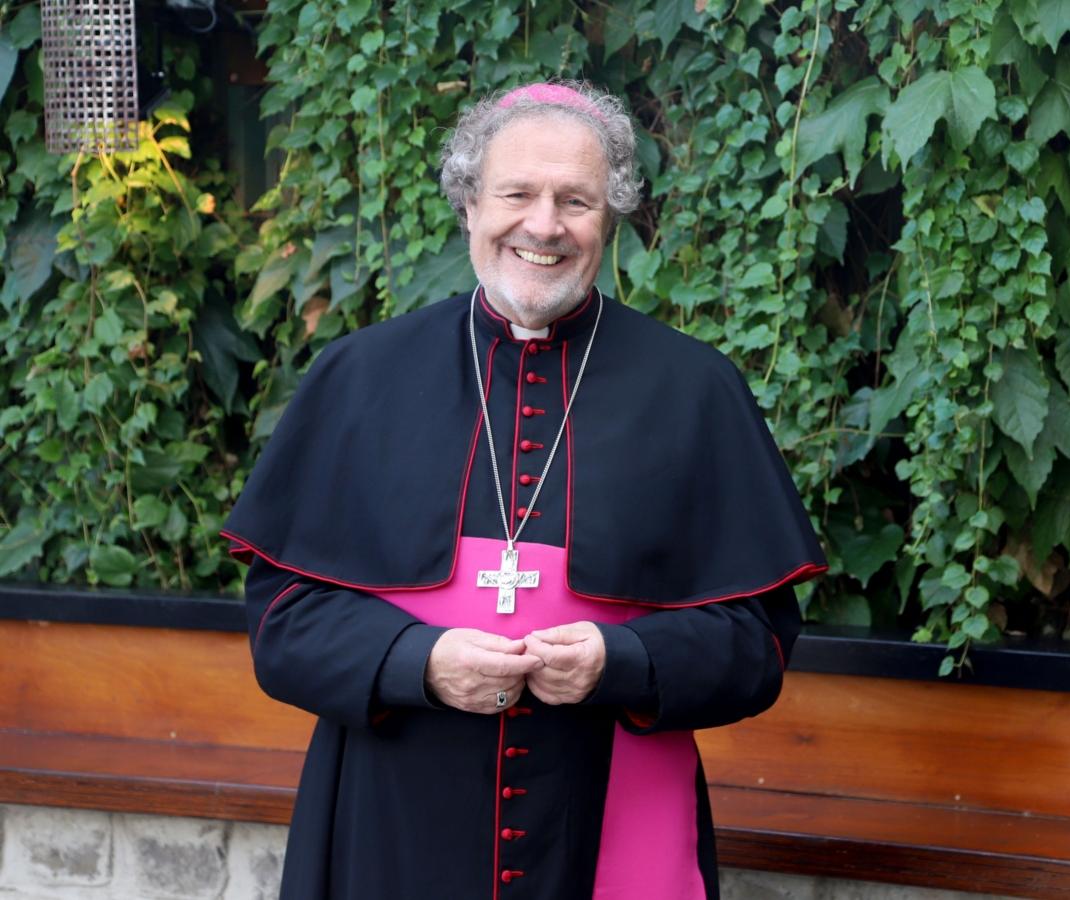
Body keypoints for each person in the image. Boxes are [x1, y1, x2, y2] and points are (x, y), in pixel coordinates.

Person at [223, 81, 826, 899]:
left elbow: (758, 645)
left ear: (608, 219)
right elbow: (283, 622)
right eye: (517, 194)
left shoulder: (694, 390)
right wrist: (416, 662)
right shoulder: (362, 377)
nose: (544, 225)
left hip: (610, 799)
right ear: (469, 204)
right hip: (393, 822)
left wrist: (627, 660)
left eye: (575, 200)